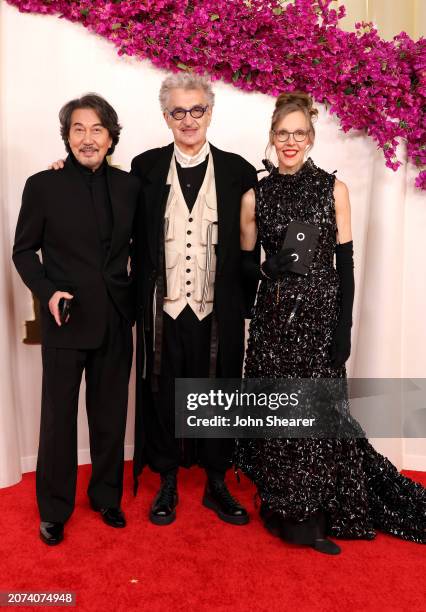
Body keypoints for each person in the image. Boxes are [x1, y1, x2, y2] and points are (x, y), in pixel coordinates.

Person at [237, 91, 426, 554]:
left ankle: (315, 518)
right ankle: (282, 510)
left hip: (320, 321)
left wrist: (343, 328)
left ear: (311, 137)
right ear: (272, 136)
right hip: (275, 320)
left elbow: (346, 264)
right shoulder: (253, 195)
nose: (291, 141)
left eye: (300, 133)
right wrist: (266, 270)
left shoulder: (332, 189)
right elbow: (241, 265)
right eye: (283, 133)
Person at [131, 73, 258, 525]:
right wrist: (64, 168)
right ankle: (166, 476)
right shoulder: (143, 167)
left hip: (216, 305)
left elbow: (252, 241)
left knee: (218, 389)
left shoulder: (238, 169)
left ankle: (216, 479)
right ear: (165, 117)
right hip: (164, 304)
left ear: (210, 112)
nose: (189, 120)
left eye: (197, 109)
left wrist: (248, 302)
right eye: (178, 112)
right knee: (163, 387)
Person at [13, 94, 140, 545]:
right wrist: (47, 293)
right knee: (59, 420)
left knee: (110, 416)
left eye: (97, 130)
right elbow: (23, 251)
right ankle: (54, 508)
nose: (87, 138)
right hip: (65, 319)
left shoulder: (131, 186)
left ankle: (106, 497)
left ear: (111, 137)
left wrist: (134, 304)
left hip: (116, 319)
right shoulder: (42, 185)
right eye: (78, 129)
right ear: (67, 136)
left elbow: (141, 253)